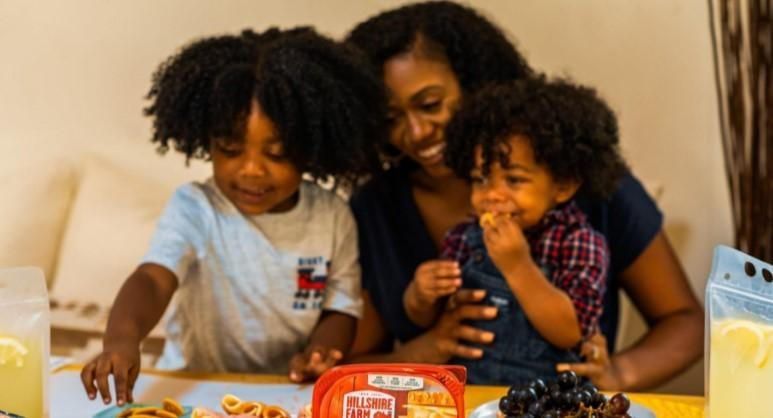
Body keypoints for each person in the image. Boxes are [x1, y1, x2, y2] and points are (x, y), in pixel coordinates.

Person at [346, 1, 703, 391]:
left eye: (430, 104)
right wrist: (424, 349)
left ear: (478, 85)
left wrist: (618, 374)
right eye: (390, 119)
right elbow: (356, 361)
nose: (415, 133)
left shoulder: (587, 183)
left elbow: (685, 321)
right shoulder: (378, 207)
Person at [80, 27, 386, 406]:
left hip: (286, 391)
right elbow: (153, 279)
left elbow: (341, 307)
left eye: (276, 154)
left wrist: (322, 352)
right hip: (193, 385)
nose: (252, 170)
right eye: (230, 149)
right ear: (207, 143)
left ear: (311, 150)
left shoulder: (332, 216)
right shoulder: (195, 208)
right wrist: (121, 340)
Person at [403, 76, 625, 384]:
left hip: (547, 398)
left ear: (563, 185)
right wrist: (420, 296)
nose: (492, 194)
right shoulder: (464, 237)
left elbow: (570, 332)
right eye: (481, 179)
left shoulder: (579, 241)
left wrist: (518, 265)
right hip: (472, 393)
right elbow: (430, 317)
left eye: (514, 180)